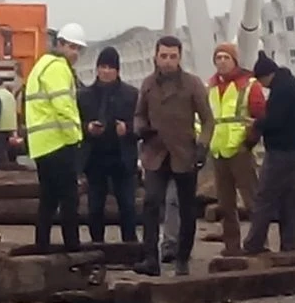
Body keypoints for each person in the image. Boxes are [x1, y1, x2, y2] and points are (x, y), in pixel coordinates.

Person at [133, 35, 211, 277]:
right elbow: (139, 114)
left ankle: (182, 258)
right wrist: (141, 128)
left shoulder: (192, 84)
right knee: (151, 203)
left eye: (173, 56)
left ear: (180, 58)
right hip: (155, 152)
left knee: (187, 208)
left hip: (184, 154)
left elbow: (208, 120)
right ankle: (150, 259)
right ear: (156, 57)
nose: (168, 61)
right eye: (164, 56)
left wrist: (202, 146)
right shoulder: (148, 84)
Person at [24, 24, 86, 249]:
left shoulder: (41, 65)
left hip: (42, 146)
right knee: (69, 201)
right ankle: (73, 249)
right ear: (59, 44)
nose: (75, 53)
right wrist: (75, 138)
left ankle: (42, 247)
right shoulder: (59, 68)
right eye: (71, 47)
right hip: (58, 143)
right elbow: (64, 108)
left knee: (48, 202)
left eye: (78, 49)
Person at [243, 50, 295, 254]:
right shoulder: (292, 86)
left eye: (260, 80)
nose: (262, 86)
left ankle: (254, 244)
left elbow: (275, 121)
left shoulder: (282, 91)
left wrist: (256, 124)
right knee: (287, 201)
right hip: (294, 152)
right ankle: (289, 246)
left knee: (264, 199)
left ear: (267, 75)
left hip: (280, 153)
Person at [204, 42, 266, 256]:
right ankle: (232, 246)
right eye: (218, 58)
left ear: (235, 60)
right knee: (225, 203)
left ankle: (258, 243)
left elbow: (260, 116)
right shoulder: (210, 87)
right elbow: (204, 118)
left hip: (241, 149)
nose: (222, 61)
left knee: (251, 199)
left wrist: (249, 142)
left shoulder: (249, 85)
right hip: (218, 150)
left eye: (226, 57)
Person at [77, 46, 139, 244]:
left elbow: (143, 124)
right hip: (95, 159)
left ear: (117, 70)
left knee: (127, 206)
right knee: (95, 207)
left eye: (110, 68)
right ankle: (97, 245)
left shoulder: (131, 94)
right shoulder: (84, 95)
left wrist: (128, 129)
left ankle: (130, 245)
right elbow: (75, 124)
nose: (106, 71)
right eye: (102, 67)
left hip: (122, 159)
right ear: (96, 69)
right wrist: (88, 128)